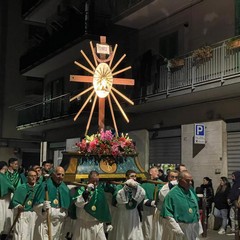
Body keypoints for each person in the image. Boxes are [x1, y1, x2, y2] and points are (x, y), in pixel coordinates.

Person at [71, 170, 112, 240]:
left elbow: (104, 207)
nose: (95, 183)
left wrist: (108, 223)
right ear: (89, 179)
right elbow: (78, 203)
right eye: (93, 181)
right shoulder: (81, 189)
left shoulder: (100, 191)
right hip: (83, 225)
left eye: (97, 181)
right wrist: (87, 191)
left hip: (97, 224)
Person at [161, 170, 202, 240]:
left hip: (192, 227)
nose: (190, 183)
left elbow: (195, 209)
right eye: (187, 181)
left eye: (191, 180)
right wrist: (177, 229)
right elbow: (167, 214)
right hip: (179, 227)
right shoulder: (172, 194)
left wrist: (198, 226)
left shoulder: (190, 192)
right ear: (180, 180)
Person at [33, 166, 71, 240]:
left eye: (63, 175)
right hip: (46, 223)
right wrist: (43, 207)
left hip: (59, 224)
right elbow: (36, 205)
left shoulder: (64, 188)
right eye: (58, 174)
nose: (60, 177)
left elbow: (67, 207)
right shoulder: (45, 185)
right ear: (53, 174)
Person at [109, 170, 145, 240]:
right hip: (123, 213)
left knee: (135, 233)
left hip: (134, 214)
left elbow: (142, 195)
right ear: (126, 177)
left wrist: (137, 187)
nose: (134, 178)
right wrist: (126, 188)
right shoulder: (120, 187)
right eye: (132, 176)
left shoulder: (137, 188)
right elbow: (116, 200)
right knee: (123, 233)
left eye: (135, 176)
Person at [9, 169, 38, 239]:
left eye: (35, 176)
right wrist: (18, 206)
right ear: (27, 177)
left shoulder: (38, 188)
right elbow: (14, 201)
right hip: (23, 214)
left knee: (32, 234)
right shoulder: (21, 188)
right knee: (22, 234)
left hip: (35, 214)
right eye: (31, 176)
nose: (33, 178)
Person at [141, 166, 164, 240]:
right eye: (156, 171)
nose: (158, 173)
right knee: (148, 226)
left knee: (157, 228)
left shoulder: (160, 183)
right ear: (150, 172)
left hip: (158, 209)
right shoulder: (144, 183)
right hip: (147, 209)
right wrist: (150, 202)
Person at [0, 161, 15, 239]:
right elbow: (9, 185)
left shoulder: (3, 175)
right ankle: (4, 233)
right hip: (4, 200)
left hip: (5, 199)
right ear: (4, 167)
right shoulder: (1, 176)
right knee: (3, 217)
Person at [227, 171, 240, 235]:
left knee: (237, 217)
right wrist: (229, 198)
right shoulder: (234, 184)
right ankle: (233, 229)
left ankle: (236, 230)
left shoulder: (238, 184)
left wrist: (232, 198)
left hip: (237, 203)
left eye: (233, 176)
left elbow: (236, 193)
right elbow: (231, 192)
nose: (232, 178)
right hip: (232, 203)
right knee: (232, 216)